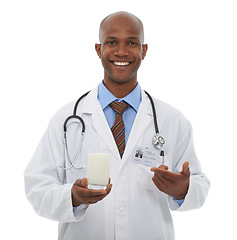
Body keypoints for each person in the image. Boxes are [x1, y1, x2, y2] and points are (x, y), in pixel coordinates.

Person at [24, 11, 210, 240]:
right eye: (111, 42)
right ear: (98, 49)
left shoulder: (172, 120)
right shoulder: (66, 120)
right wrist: (72, 197)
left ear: (143, 50)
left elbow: (200, 186)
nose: (121, 51)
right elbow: (36, 187)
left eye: (132, 42)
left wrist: (183, 189)